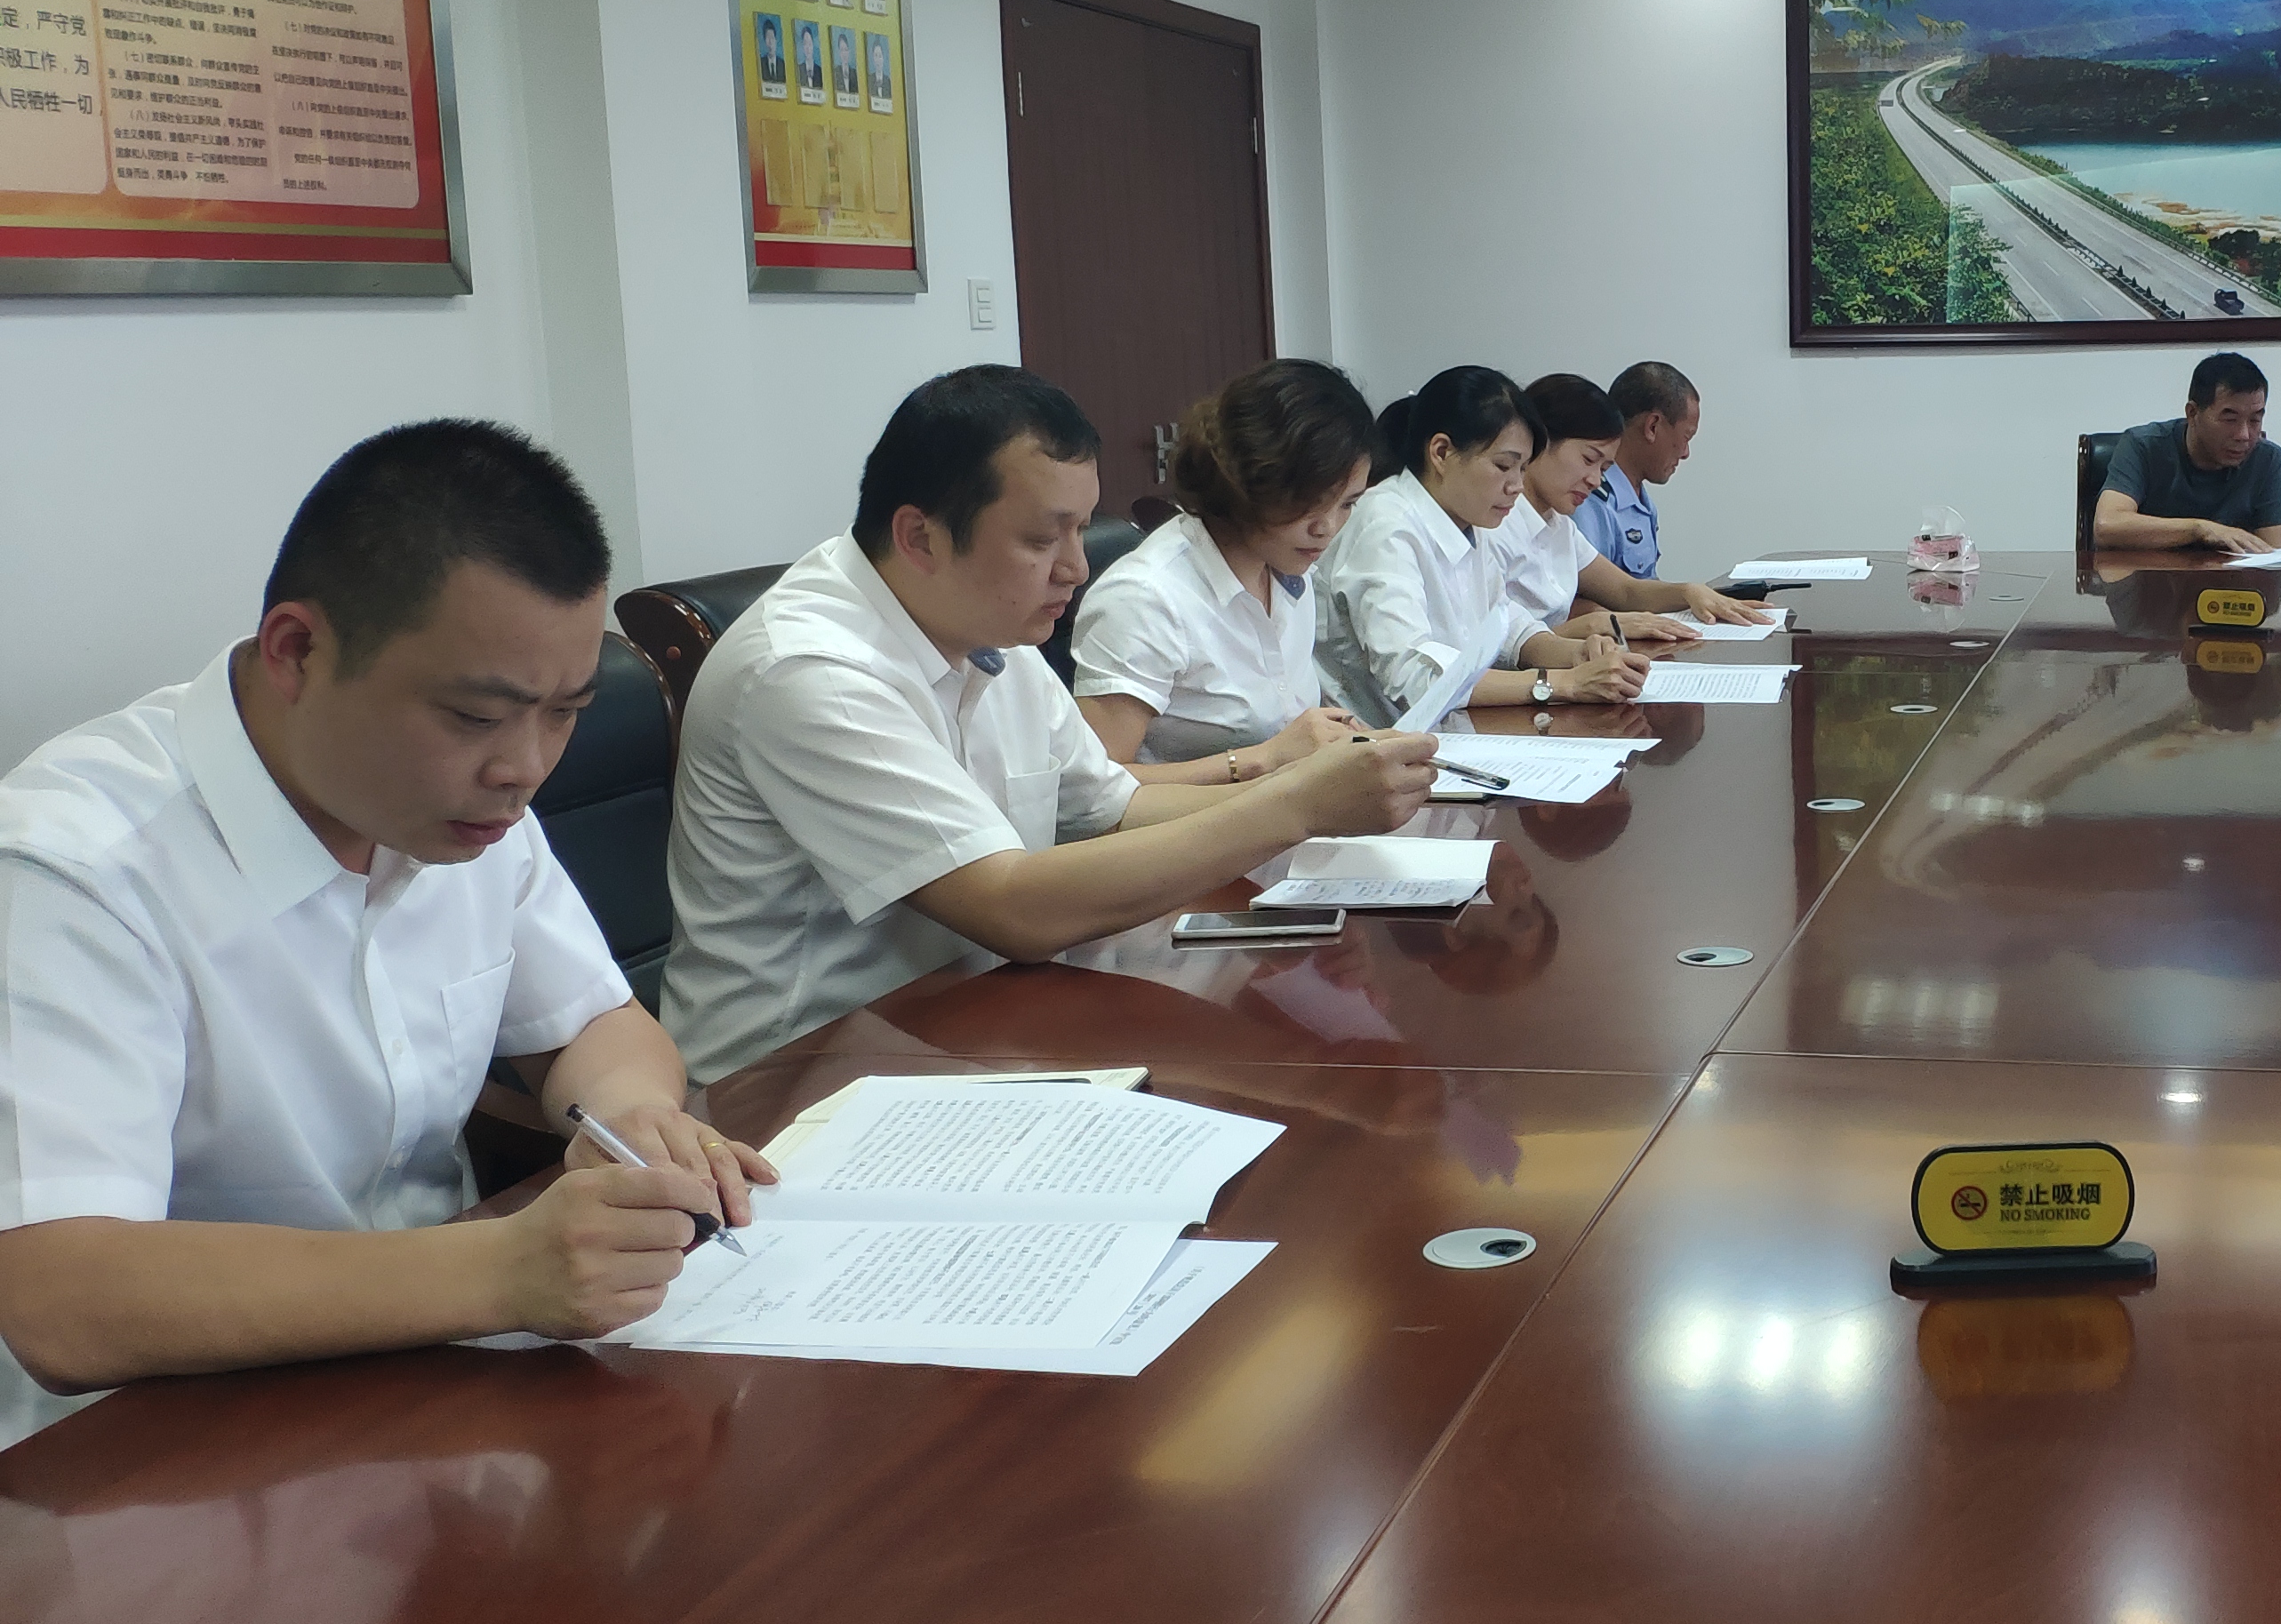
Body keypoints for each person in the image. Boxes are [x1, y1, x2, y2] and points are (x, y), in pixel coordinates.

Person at [0, 422, 768, 1420]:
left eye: (565, 711)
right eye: (474, 716)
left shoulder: (463, 810)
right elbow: (64, 1298)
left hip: (432, 1381)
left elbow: (592, 1024)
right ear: (298, 651)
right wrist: (499, 1270)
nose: (526, 767)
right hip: (163, 1440)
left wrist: (631, 1121)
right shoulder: (76, 871)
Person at [662, 368, 1437, 1082]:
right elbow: (1009, 907)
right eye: (1042, 539)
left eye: (1080, 531)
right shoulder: (808, 670)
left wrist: (1313, 781)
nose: (1077, 568)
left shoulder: (988, 625)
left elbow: (1116, 808)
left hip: (969, 1022)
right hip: (793, 1080)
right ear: (920, 537)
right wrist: (1296, 805)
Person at [1070, 358, 1374, 773]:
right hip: (1197, 816)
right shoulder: (1145, 598)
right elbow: (1097, 787)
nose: (1327, 528)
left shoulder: (1290, 571)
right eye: (1307, 502)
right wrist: (1264, 759)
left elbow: (1284, 721)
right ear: (1249, 480)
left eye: (1347, 504)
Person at [1319, 365, 1645, 725]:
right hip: (1380, 739)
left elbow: (1507, 625)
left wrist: (1577, 655)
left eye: (1523, 469)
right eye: (1504, 466)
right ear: (1441, 452)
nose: (1516, 486)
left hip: (1451, 731)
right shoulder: (1386, 524)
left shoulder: (1472, 520)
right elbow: (1413, 676)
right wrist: (1563, 683)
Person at [1496, 373, 1774, 644]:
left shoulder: (1558, 525)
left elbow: (1625, 590)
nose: (1595, 481)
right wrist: (1595, 624)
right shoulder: (1497, 525)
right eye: (1589, 459)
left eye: (1604, 468)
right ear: (1538, 443)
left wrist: (1689, 592)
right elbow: (1497, 648)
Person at [2096, 351, 2281, 551]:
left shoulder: (2267, 459)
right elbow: (2107, 527)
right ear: (2192, 413)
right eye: (2230, 419)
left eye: (2255, 420)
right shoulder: (2143, 445)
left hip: (2231, 573)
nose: (2244, 435)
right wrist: (2200, 530)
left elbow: (2275, 553)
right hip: (2145, 571)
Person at [1575, 360, 1700, 579]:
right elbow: (1585, 594)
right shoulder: (1590, 500)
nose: (1685, 453)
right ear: (1652, 426)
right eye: (1686, 437)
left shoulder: (1642, 503)